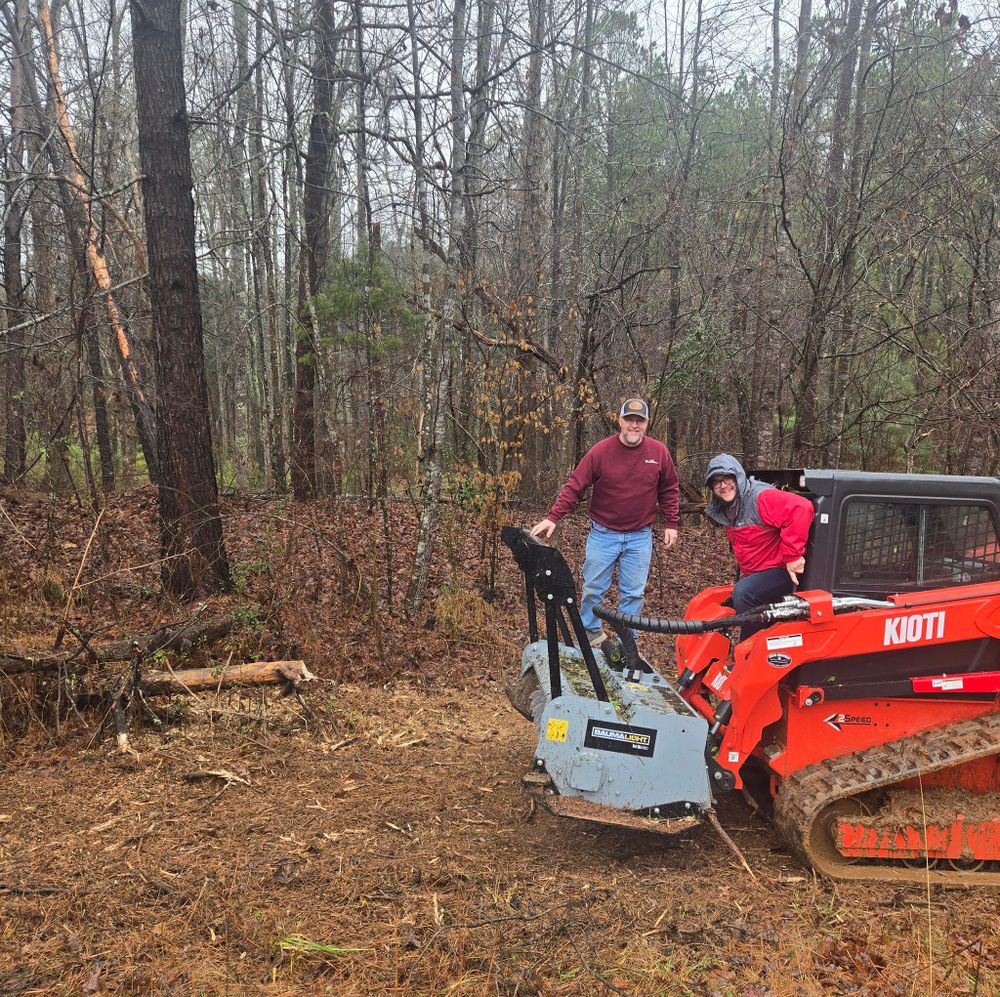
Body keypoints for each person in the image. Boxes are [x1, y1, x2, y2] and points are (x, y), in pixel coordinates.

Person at [530, 398, 679, 646]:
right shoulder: (601, 451)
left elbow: (670, 489)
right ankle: (590, 633)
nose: (634, 425)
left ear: (646, 423)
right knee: (593, 588)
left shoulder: (659, 452)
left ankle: (627, 642)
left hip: (640, 536)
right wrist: (553, 517)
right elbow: (575, 486)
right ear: (619, 421)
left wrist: (672, 523)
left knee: (633, 593)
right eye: (629, 420)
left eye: (639, 420)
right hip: (603, 534)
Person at [704, 454, 815, 641]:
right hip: (758, 573)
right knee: (722, 597)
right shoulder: (728, 508)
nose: (723, 486)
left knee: (744, 592)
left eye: (727, 478)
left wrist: (792, 556)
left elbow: (801, 508)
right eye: (716, 482)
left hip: (782, 573)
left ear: (738, 477)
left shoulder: (760, 498)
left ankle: (749, 652)